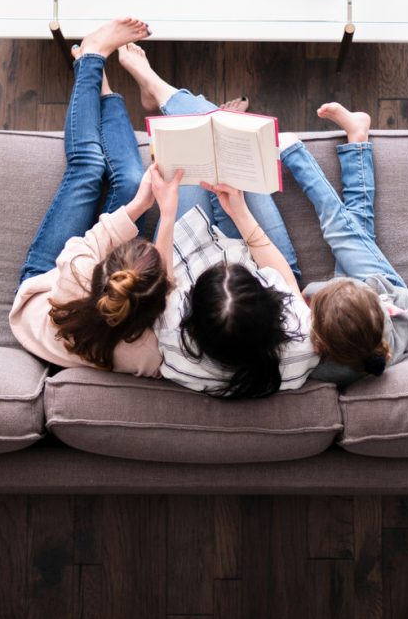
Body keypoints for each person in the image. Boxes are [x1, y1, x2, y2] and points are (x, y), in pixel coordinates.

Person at [118, 44, 317, 398]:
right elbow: (289, 286)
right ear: (270, 304)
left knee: (184, 155)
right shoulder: (302, 344)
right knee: (227, 137)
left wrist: (167, 212)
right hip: (263, 256)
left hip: (188, 254)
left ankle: (155, 87)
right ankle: (165, 94)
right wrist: (239, 211)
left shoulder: (177, 346)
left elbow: (161, 286)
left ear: (191, 319)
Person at [9, 17, 182, 376]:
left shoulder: (75, 270)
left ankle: (90, 58)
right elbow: (165, 293)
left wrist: (145, 209)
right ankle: (103, 90)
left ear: (101, 268)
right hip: (83, 306)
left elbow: (159, 282)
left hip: (44, 289)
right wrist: (149, 204)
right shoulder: (150, 354)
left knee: (88, 168)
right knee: (133, 179)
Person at [279, 102, 408, 386]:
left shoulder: (330, 369)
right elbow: (314, 292)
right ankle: (295, 155)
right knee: (339, 228)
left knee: (358, 220)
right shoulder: (400, 312)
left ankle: (358, 136)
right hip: (385, 286)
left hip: (358, 307)